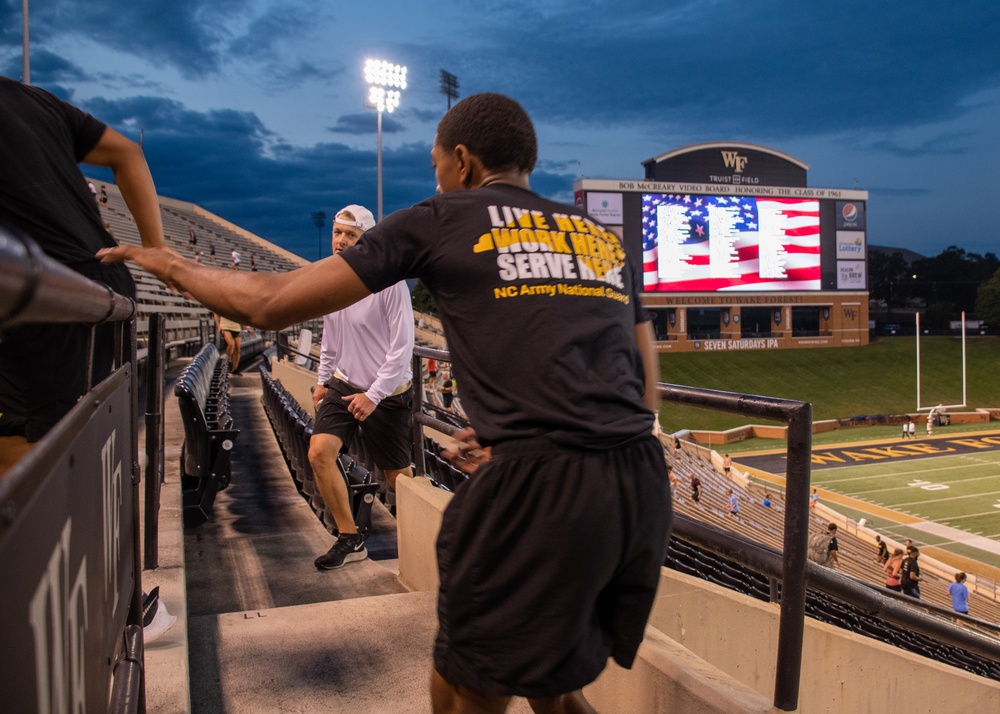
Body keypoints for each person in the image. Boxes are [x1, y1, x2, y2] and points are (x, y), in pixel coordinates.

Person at [100, 92, 671, 714]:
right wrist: (516, 429)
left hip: (542, 487)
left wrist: (169, 264)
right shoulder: (599, 237)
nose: (436, 179)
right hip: (636, 487)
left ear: (462, 159)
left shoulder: (441, 217)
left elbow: (265, 304)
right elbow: (643, 388)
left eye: (435, 165)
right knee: (552, 687)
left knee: (462, 690)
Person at [0, 75, 167, 474]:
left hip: (49, 295)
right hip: (103, 283)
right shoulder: (31, 99)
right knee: (69, 443)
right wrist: (158, 253)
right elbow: (128, 153)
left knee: (31, 458)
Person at [309, 205, 415, 571]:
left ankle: (427, 547)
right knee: (319, 452)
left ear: (367, 240)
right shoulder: (332, 279)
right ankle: (349, 538)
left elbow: (402, 350)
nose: (339, 240)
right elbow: (330, 340)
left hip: (386, 393)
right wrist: (324, 381)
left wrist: (374, 395)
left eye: (349, 235)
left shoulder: (391, 284)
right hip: (344, 383)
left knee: (398, 479)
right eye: (337, 233)